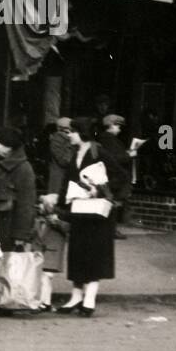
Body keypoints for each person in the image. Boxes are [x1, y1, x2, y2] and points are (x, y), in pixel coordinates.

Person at [56, 117, 115, 316]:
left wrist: (98, 189)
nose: (69, 135)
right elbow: (68, 181)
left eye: (72, 132)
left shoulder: (99, 152)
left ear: (82, 133)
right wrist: (61, 208)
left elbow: (120, 175)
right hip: (79, 211)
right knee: (78, 254)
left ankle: (89, 297)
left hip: (97, 215)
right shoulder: (76, 154)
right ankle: (76, 296)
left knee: (93, 254)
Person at [0, 127, 37, 315]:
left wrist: (21, 234)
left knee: (7, 264)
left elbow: (26, 203)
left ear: (8, 147)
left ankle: (6, 301)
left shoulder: (24, 169)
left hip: (9, 225)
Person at [98, 114, 133, 238]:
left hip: (111, 176)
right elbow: (114, 158)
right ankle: (111, 230)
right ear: (110, 125)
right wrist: (128, 155)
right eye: (117, 125)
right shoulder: (109, 140)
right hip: (113, 176)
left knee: (111, 202)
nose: (119, 128)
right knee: (113, 203)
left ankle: (109, 229)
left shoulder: (107, 139)